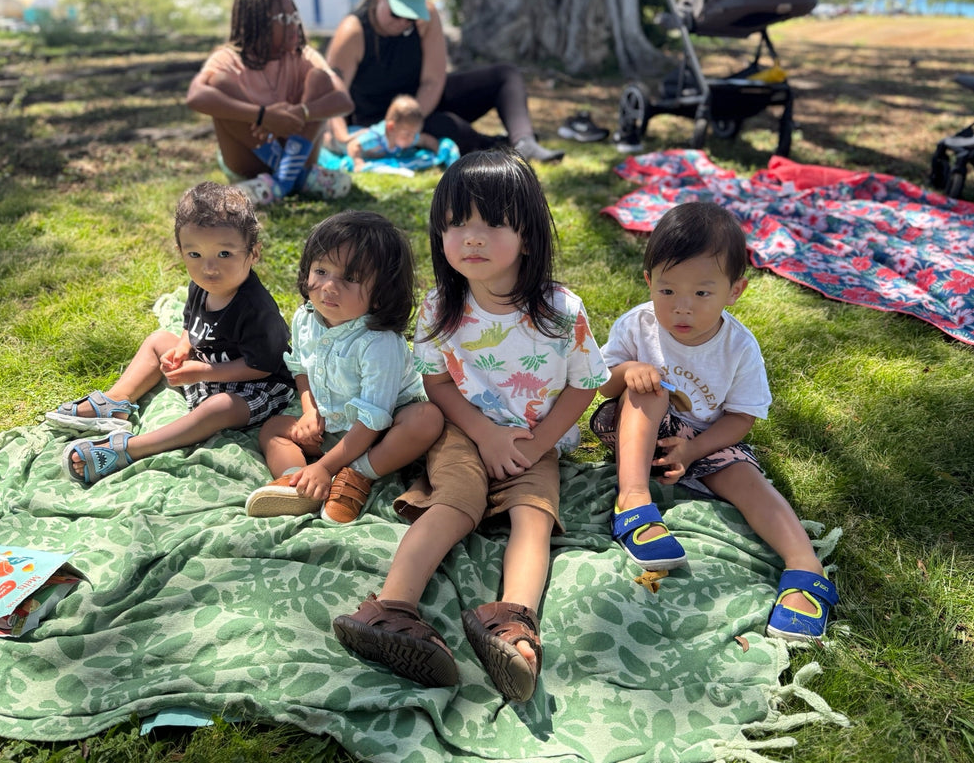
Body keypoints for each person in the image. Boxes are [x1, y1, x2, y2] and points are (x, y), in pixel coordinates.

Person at [333, 150, 608, 702]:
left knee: (534, 519)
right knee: (455, 502)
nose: (472, 238)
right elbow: (437, 384)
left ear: (527, 237)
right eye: (457, 224)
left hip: (536, 435)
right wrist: (484, 433)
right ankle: (391, 608)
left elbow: (585, 383)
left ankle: (513, 624)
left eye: (491, 224)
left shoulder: (560, 311)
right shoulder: (440, 306)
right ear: (439, 235)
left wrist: (538, 444)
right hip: (464, 430)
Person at [590, 201, 838, 643]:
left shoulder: (739, 348)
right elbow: (604, 385)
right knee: (650, 388)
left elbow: (742, 418)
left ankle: (805, 567)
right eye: (667, 292)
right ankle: (632, 499)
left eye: (702, 294)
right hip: (636, 428)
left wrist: (694, 450)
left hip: (707, 438)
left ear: (734, 290)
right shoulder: (638, 326)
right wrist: (628, 372)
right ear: (649, 282)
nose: (681, 309)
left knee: (749, 482)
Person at [48, 182, 296, 485]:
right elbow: (192, 327)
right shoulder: (201, 286)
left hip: (257, 388)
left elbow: (262, 367)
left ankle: (133, 448)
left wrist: (203, 372)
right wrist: (182, 347)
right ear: (180, 251)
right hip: (208, 368)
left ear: (253, 253)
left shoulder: (257, 309)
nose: (209, 268)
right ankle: (117, 402)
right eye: (194, 254)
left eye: (224, 253)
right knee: (157, 341)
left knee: (218, 408)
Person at [245, 210, 445, 524]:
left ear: (381, 294)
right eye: (321, 270)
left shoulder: (379, 343)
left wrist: (326, 465)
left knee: (427, 420)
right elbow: (300, 367)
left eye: (349, 278)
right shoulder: (305, 318)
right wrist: (309, 411)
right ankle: (297, 482)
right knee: (273, 429)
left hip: (384, 431)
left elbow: (373, 418)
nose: (329, 286)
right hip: (331, 423)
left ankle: (356, 475)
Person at [325, 0, 564, 164]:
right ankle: (496, 144)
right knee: (452, 130)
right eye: (397, 13)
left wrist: (415, 116)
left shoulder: (426, 18)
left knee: (506, 74)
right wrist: (342, 136)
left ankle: (525, 141)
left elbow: (433, 80)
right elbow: (333, 92)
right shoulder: (353, 31)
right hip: (383, 118)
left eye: (411, 17)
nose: (403, 23)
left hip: (425, 101)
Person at [186, 0, 354, 203]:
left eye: (295, 17)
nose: (294, 24)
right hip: (249, 162)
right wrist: (263, 116)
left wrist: (302, 112)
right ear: (257, 23)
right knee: (219, 84)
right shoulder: (228, 59)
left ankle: (283, 181)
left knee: (320, 79)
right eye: (284, 19)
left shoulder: (304, 56)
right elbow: (196, 96)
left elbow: (344, 100)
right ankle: (299, 178)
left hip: (298, 152)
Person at [328, 94, 454, 172]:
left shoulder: (407, 136)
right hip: (349, 140)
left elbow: (425, 140)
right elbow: (353, 146)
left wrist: (439, 152)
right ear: (391, 128)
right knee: (330, 142)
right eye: (407, 134)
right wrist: (358, 163)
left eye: (414, 134)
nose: (411, 139)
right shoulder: (375, 138)